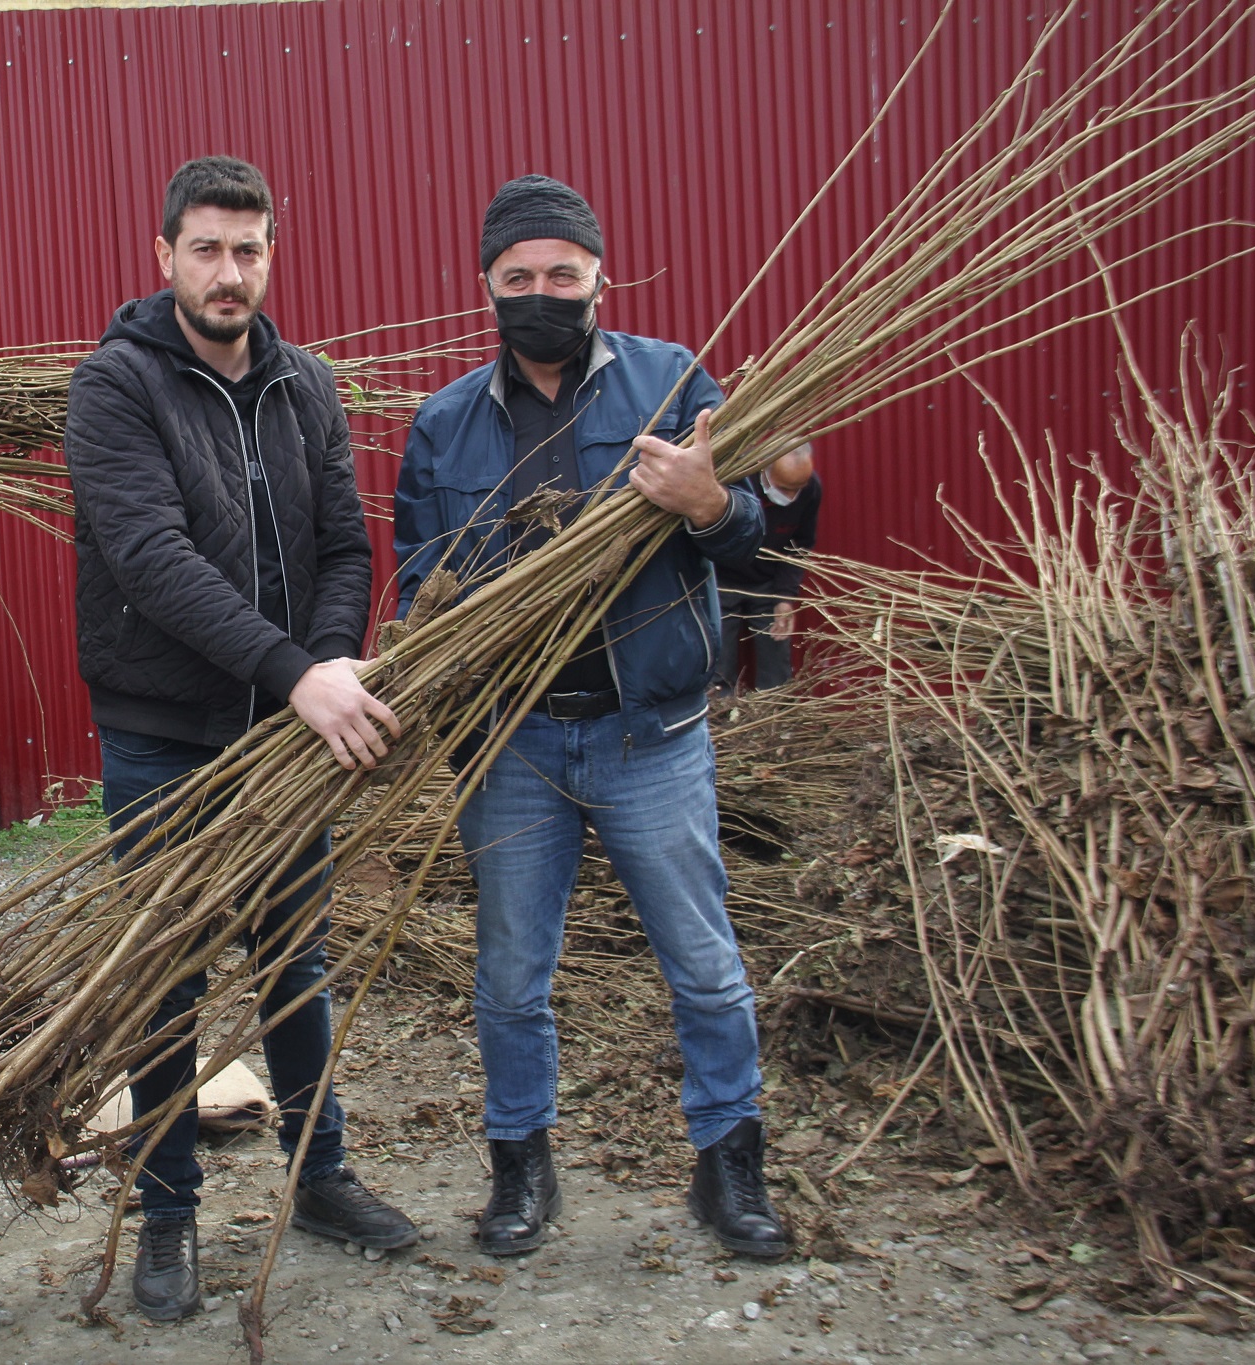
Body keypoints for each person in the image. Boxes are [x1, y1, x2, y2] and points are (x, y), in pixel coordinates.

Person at [393, 175, 792, 1261]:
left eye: (559, 274)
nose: (540, 293)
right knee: (511, 974)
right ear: (484, 286)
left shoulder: (672, 386)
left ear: (597, 277)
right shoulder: (442, 426)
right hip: (511, 744)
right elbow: (411, 583)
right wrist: (429, 640)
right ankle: (519, 1167)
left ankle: (729, 1166)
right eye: (516, 277)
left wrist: (707, 505)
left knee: (702, 964)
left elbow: (758, 541)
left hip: (647, 735)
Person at [64, 156, 420, 1321]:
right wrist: (296, 675)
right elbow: (150, 560)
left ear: (272, 254)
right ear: (162, 254)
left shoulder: (305, 384)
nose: (229, 272)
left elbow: (342, 548)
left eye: (249, 250)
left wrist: (318, 670)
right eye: (207, 249)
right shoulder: (115, 385)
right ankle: (168, 1217)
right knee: (166, 975)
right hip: (164, 734)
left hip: (285, 731)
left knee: (293, 964)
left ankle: (319, 1180)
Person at [716, 444, 821, 693]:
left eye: (799, 489)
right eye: (785, 489)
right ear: (764, 470)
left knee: (777, 671)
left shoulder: (811, 488)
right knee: (718, 668)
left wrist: (785, 598)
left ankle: (775, 722)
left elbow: (800, 546)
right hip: (722, 579)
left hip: (768, 584)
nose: (792, 498)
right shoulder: (736, 478)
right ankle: (719, 722)